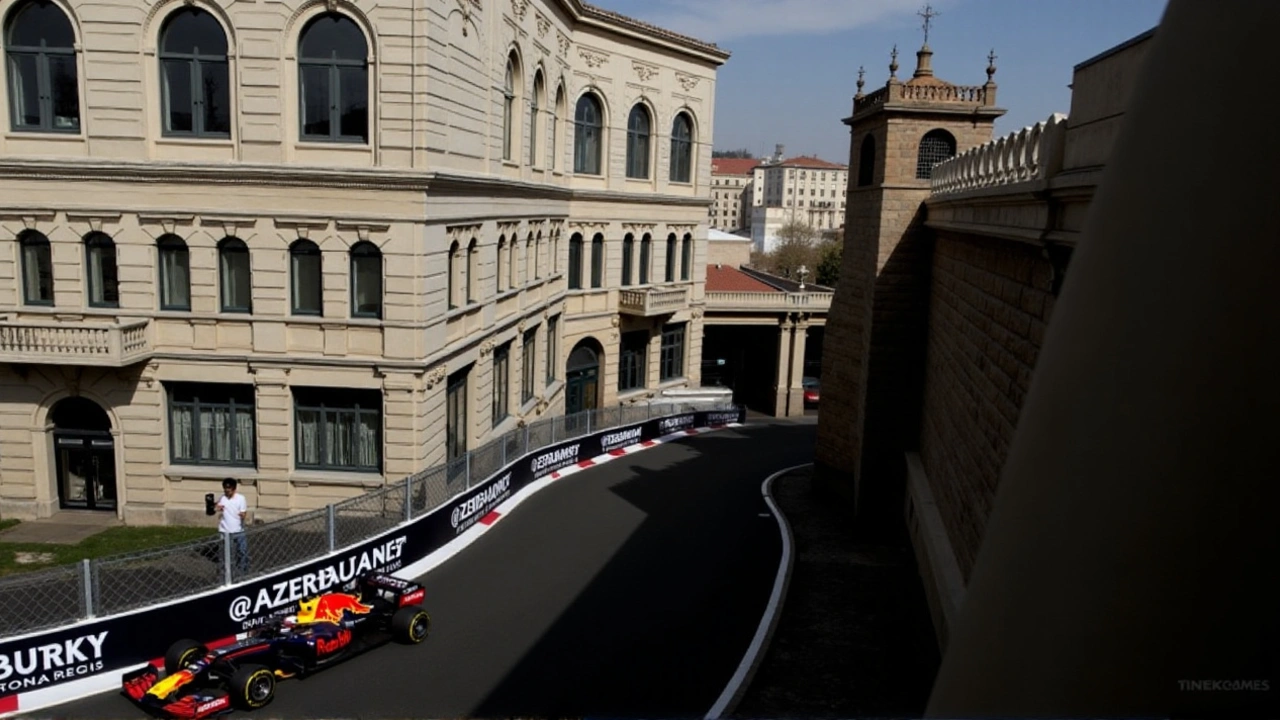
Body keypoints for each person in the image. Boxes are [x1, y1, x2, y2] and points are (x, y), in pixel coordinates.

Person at [216, 478, 249, 573]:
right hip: (225, 530)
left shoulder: (241, 499)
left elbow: (243, 513)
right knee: (225, 552)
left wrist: (242, 515)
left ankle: (243, 569)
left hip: (238, 530)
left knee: (242, 551)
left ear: (234, 489)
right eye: (225, 491)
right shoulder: (223, 498)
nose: (227, 493)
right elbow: (218, 507)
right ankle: (224, 569)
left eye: (229, 491)